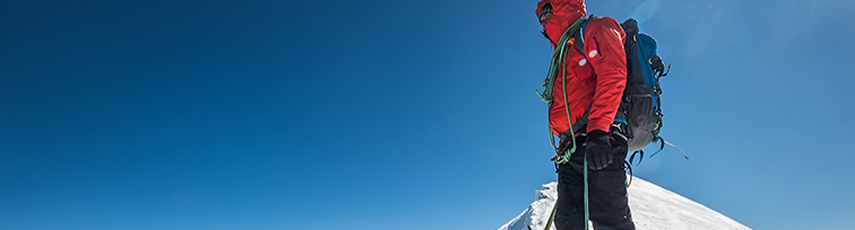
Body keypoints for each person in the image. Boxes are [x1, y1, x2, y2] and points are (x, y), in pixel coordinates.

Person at [535, 0, 635, 229]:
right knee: (567, 223)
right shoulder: (564, 51)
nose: (542, 23)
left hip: (599, 141)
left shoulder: (595, 28)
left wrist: (599, 130)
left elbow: (613, 73)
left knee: (609, 220)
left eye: (546, 14)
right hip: (571, 150)